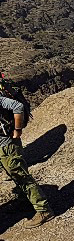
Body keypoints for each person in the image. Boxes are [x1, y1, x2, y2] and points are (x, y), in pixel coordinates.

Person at [0, 84, 52, 226]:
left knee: (20, 175)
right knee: (14, 174)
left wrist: (18, 130)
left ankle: (44, 210)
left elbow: (17, 107)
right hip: (3, 145)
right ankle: (26, 201)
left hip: (8, 145)